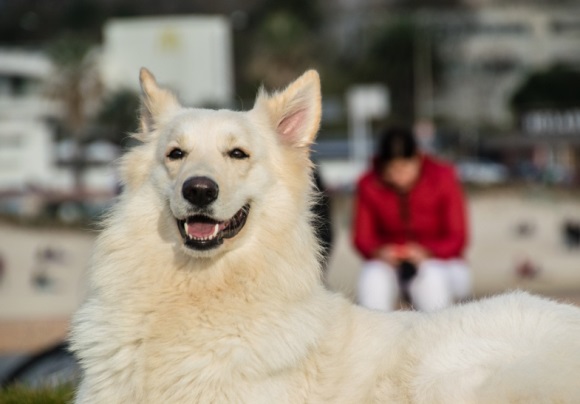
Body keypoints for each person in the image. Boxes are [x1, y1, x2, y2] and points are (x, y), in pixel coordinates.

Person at [353, 126, 471, 312]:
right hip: (391, 263)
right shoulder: (369, 184)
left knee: (431, 277)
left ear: (418, 158)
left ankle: (436, 334)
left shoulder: (444, 177)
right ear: (382, 165)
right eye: (392, 169)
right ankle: (377, 336)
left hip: (442, 263)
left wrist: (427, 252)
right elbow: (362, 238)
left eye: (405, 168)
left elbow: (458, 238)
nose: (399, 177)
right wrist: (381, 252)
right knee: (372, 277)